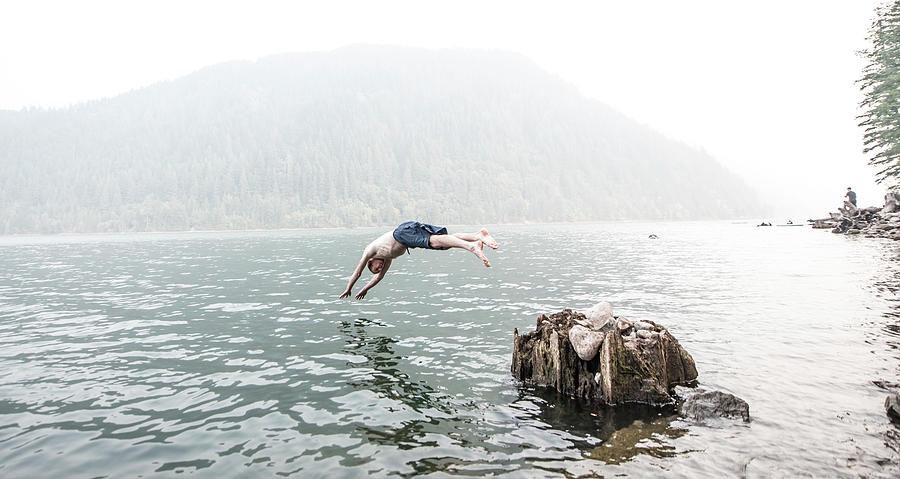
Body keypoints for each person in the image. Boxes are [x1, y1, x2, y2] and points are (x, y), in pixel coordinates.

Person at [339, 221, 499, 300]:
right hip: (407, 235)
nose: (379, 268)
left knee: (435, 241)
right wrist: (365, 289)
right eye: (378, 269)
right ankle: (476, 236)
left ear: (371, 261)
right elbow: (379, 278)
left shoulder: (370, 250)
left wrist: (349, 288)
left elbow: (358, 272)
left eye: (375, 267)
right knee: (443, 243)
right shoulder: (387, 258)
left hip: (402, 233)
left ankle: (472, 247)